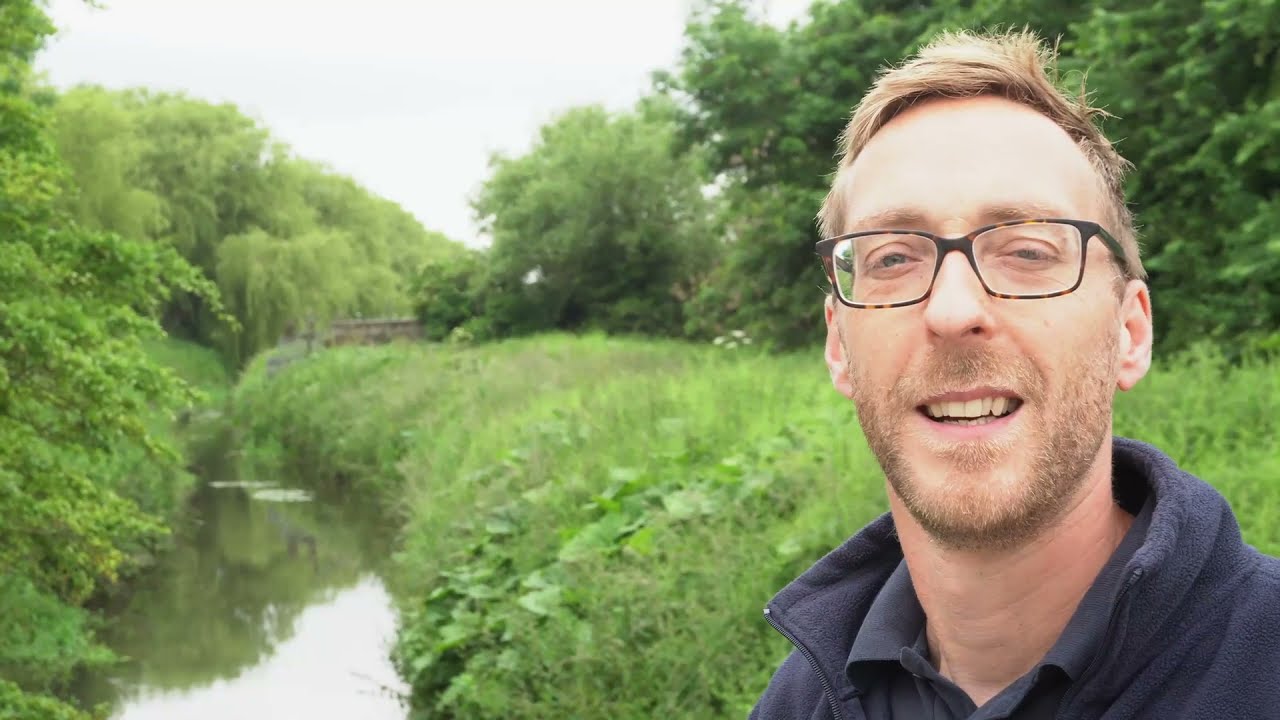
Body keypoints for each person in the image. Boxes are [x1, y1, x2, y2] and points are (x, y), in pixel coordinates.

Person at [751, 29, 1280, 720]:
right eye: (891, 259)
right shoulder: (800, 702)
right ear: (839, 347)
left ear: (1131, 331)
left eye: (1027, 251)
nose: (952, 309)